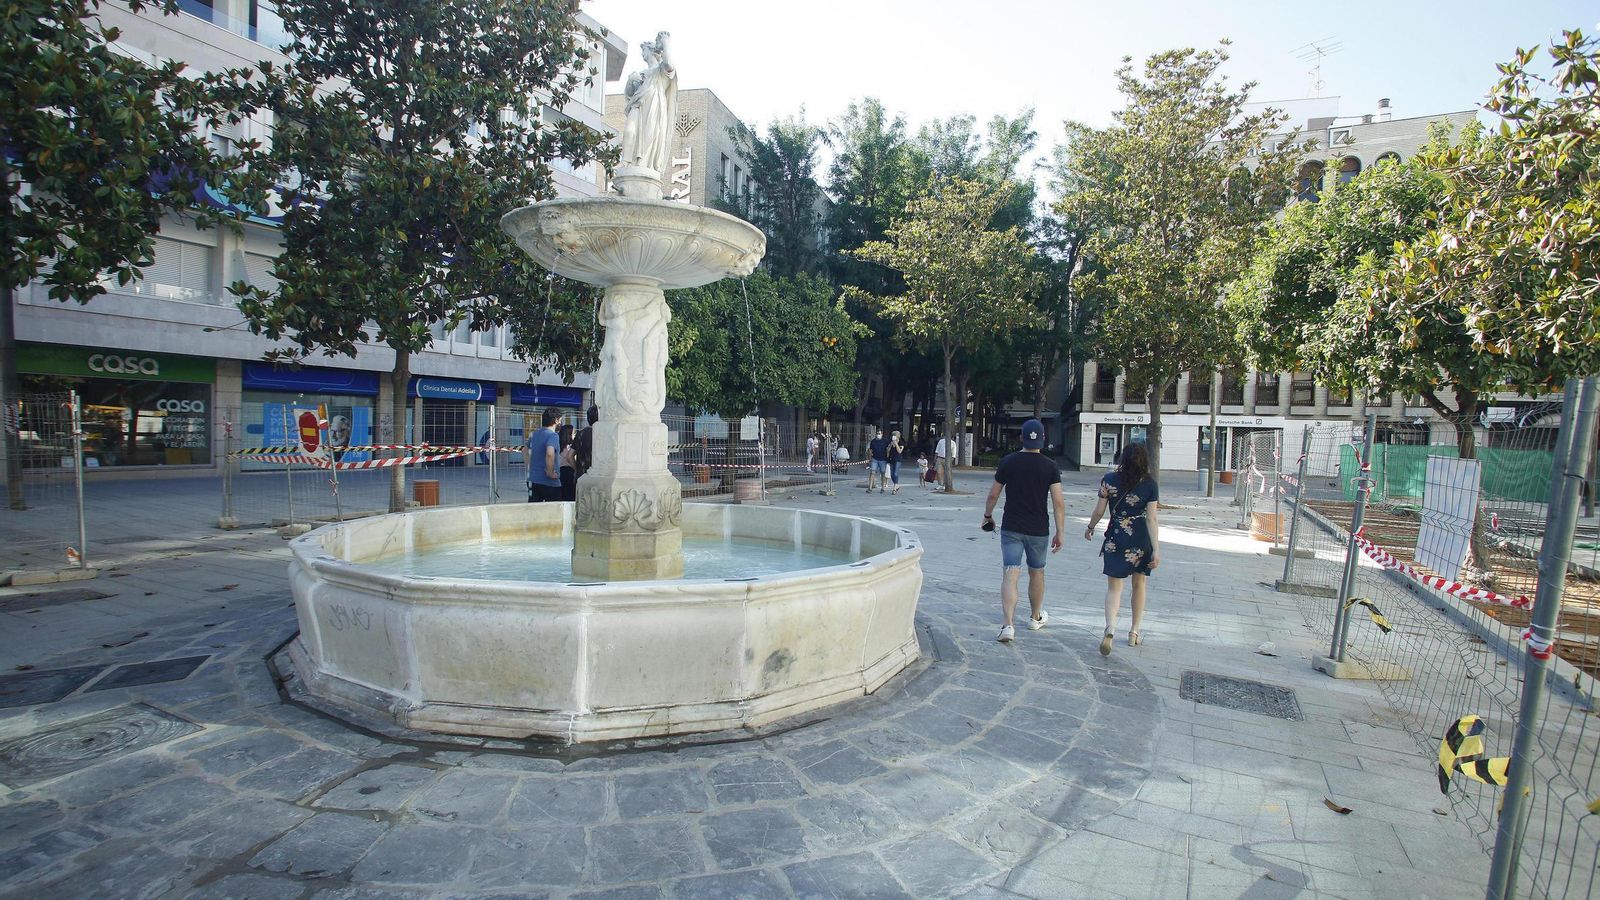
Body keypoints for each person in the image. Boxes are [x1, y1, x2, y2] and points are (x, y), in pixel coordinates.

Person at [982, 419, 1066, 643]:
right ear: (1043, 440)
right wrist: (1060, 531)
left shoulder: (1008, 462)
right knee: (1037, 572)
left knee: (1011, 572)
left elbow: (993, 494)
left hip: (1012, 527)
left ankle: (1008, 625)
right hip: (1039, 529)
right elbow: (1058, 502)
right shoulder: (1050, 466)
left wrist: (988, 516)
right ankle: (1035, 616)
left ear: (1021, 438)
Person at [1084, 441, 1161, 655]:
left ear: (1122, 459)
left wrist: (1090, 527)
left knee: (1114, 587)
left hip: (1116, 535)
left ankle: (1110, 627)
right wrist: (1156, 549)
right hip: (1140, 537)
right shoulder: (1150, 484)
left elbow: (1099, 510)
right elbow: (1152, 519)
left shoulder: (1108, 480)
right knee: (1139, 584)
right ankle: (1134, 632)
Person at [526, 407, 563, 502]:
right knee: (553, 512)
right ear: (556, 420)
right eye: (560, 420)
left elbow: (525, 451)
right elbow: (550, 453)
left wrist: (531, 467)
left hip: (533, 479)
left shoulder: (534, 434)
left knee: (534, 511)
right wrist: (550, 472)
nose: (560, 423)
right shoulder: (553, 435)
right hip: (549, 482)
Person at [573, 405, 598, 479]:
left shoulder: (581, 433)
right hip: (597, 475)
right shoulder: (603, 434)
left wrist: (577, 469)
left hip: (582, 475)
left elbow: (569, 456)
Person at [558, 422, 577, 502]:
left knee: (562, 496)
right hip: (569, 472)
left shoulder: (558, 446)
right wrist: (576, 468)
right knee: (570, 496)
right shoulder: (570, 447)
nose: (575, 435)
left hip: (560, 472)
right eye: (574, 433)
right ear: (569, 434)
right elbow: (570, 458)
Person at [867, 428, 889, 493]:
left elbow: (888, 449)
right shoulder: (873, 441)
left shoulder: (885, 441)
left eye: (879, 434)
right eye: (877, 433)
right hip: (875, 459)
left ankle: (883, 488)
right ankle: (870, 488)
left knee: (883, 473)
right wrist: (870, 459)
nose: (878, 435)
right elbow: (870, 450)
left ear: (882, 434)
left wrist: (888, 458)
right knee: (872, 473)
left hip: (883, 459)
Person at [887, 430, 904, 494]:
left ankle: (894, 488)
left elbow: (899, 451)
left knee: (895, 473)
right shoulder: (890, 442)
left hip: (898, 459)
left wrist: (896, 443)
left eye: (895, 436)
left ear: (898, 436)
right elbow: (888, 450)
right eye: (893, 435)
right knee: (891, 474)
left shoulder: (901, 442)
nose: (894, 437)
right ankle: (897, 485)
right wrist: (890, 445)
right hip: (891, 459)